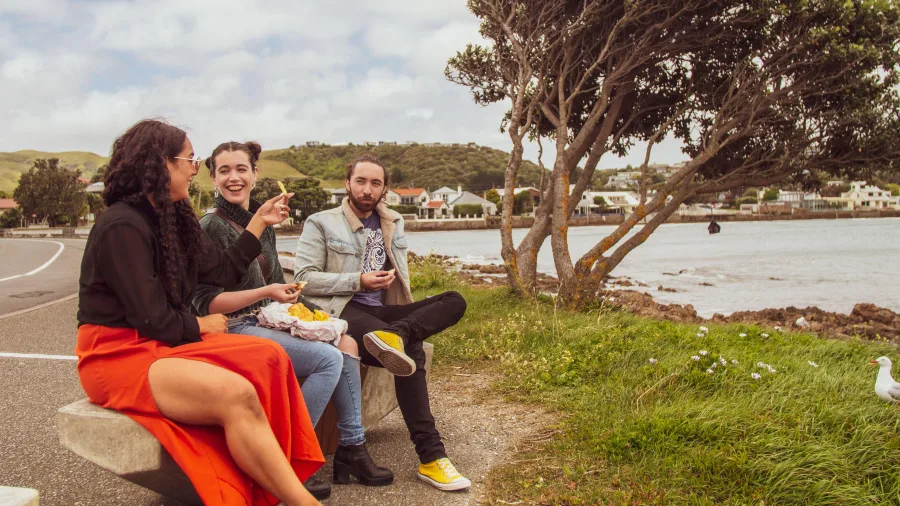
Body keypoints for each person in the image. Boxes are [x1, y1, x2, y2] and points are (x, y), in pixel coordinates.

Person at [75, 119, 324, 506]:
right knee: (236, 393)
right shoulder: (121, 224)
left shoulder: (174, 218)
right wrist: (201, 323)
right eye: (190, 159)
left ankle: (273, 481)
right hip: (117, 355)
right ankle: (297, 500)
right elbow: (150, 318)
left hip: (161, 341)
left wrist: (258, 221)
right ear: (160, 164)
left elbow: (223, 271)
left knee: (270, 356)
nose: (195, 168)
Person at [192, 141, 392, 499]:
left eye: (242, 169)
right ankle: (287, 461)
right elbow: (206, 303)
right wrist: (268, 293)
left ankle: (352, 448)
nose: (234, 178)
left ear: (255, 174)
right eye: (224, 171)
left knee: (345, 341)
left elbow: (273, 283)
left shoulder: (262, 219)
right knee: (326, 359)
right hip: (233, 325)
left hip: (268, 317)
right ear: (212, 177)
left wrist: (293, 300)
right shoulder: (211, 225)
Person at [293, 154, 471, 491]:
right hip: (341, 311)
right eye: (361, 181)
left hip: (382, 315)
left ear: (384, 189)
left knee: (455, 300)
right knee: (413, 351)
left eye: (375, 183)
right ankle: (432, 458)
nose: (367, 189)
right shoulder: (321, 222)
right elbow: (304, 279)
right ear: (348, 184)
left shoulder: (393, 221)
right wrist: (358, 280)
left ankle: (398, 334)